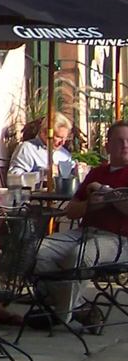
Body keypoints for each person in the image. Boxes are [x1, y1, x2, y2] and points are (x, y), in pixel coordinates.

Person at [33, 121, 128, 329]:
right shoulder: (96, 172)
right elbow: (71, 210)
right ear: (107, 146)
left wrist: (104, 191)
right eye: (120, 141)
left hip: (119, 240)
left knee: (79, 256)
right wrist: (89, 205)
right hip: (84, 232)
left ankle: (60, 315)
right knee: (34, 251)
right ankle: (77, 307)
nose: (126, 145)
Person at [9, 113, 76, 178]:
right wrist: (43, 174)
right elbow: (13, 177)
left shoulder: (64, 154)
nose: (62, 143)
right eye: (59, 137)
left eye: (65, 138)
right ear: (45, 133)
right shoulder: (27, 149)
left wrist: (77, 171)